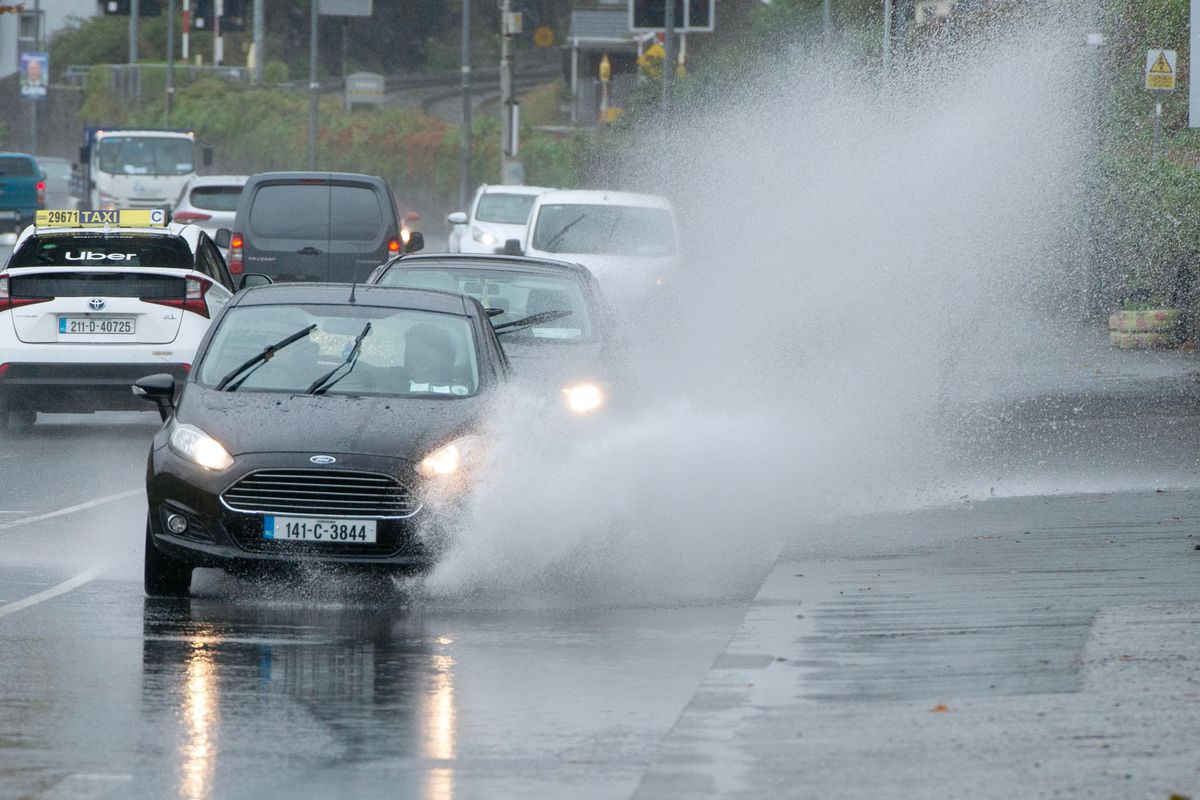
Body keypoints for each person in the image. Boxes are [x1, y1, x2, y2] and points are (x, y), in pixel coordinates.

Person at [401, 323, 462, 394]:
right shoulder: (391, 384)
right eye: (414, 347)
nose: (420, 354)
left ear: (440, 353)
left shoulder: (458, 392)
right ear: (406, 353)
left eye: (427, 347)